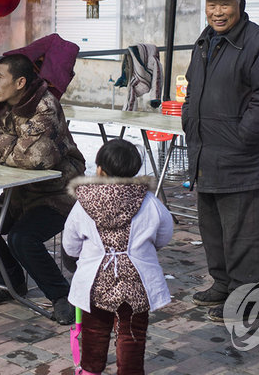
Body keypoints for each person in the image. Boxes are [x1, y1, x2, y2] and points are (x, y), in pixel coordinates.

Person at [181, 0, 259, 322]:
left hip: (242, 159)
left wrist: (243, 137)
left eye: (224, 4)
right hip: (206, 153)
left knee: (244, 233)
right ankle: (223, 283)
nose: (217, 11)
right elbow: (193, 87)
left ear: (240, 5)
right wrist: (188, 119)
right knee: (212, 229)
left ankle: (249, 299)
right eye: (211, 4)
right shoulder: (205, 41)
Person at [0, 53, 85, 325]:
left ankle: (60, 295)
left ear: (20, 82)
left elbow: (37, 156)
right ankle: (11, 282)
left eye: (0, 77)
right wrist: (14, 144)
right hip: (18, 191)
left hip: (57, 192)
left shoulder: (44, 106)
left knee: (22, 238)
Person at [62, 139, 173, 375]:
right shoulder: (149, 201)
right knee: (132, 335)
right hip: (137, 281)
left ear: (100, 169)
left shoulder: (84, 203)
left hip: (96, 282)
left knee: (95, 332)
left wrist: (76, 256)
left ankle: (90, 370)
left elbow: (70, 242)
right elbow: (165, 233)